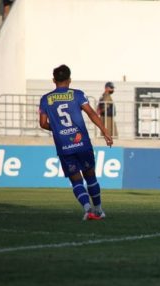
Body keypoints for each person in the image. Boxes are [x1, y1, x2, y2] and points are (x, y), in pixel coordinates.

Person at [38, 65, 113, 221]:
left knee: (76, 180)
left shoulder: (45, 99)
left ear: (53, 80)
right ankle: (98, 209)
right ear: (69, 80)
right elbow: (91, 113)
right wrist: (105, 131)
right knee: (90, 176)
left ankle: (87, 209)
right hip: (82, 143)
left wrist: (57, 128)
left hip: (64, 146)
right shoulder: (77, 95)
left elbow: (43, 123)